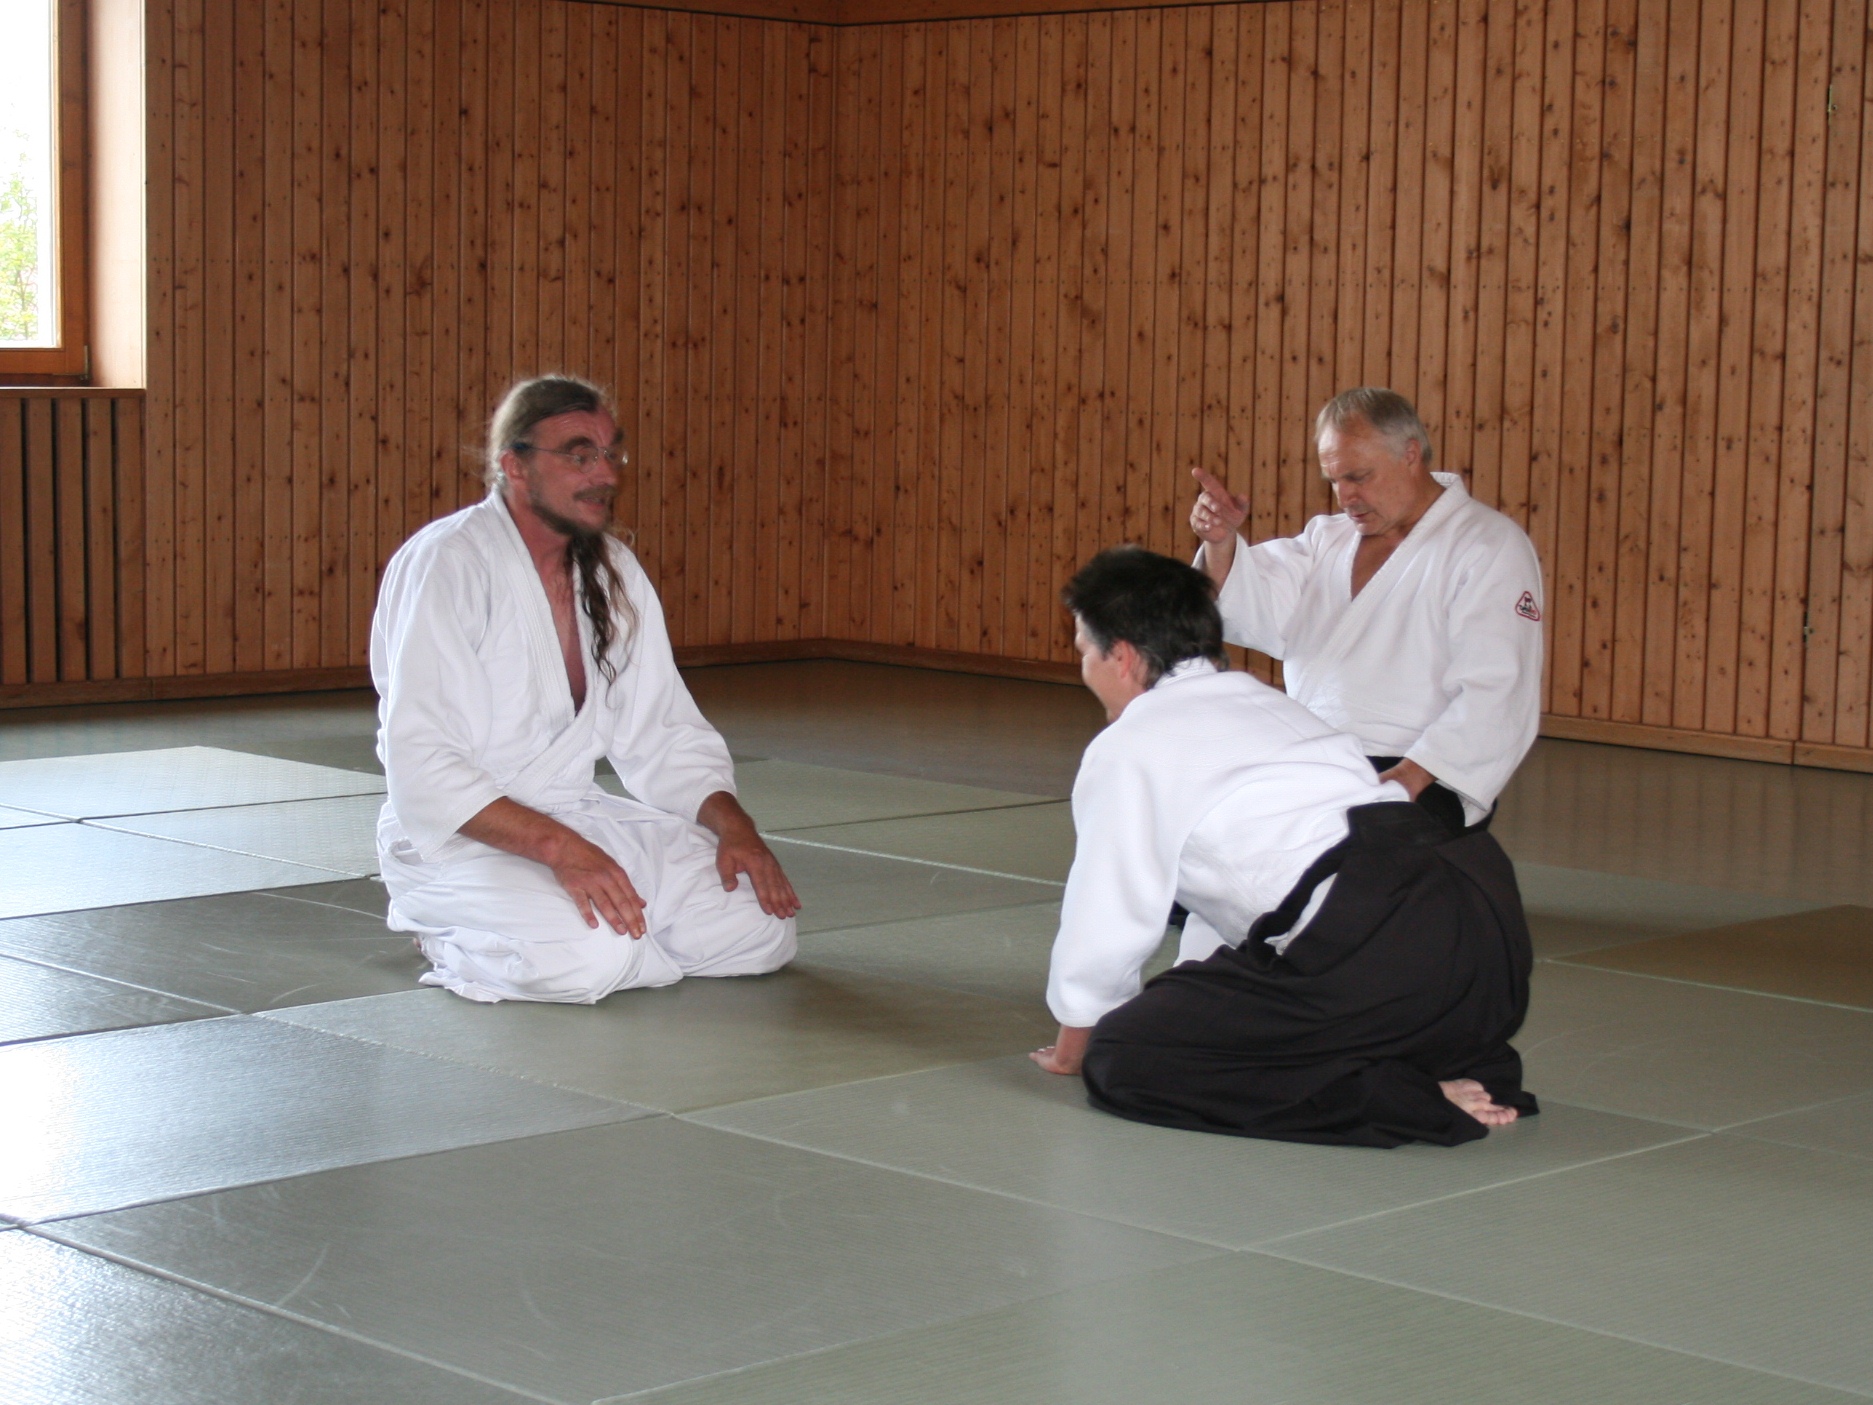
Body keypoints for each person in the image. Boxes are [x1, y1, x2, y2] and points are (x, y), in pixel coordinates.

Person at [1030, 546, 1537, 1147]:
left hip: (1380, 951)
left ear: (1122, 656)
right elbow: (1240, 898)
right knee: (1207, 1007)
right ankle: (1426, 1061)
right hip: (1484, 948)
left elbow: (1109, 910)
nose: (1084, 669)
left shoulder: (1130, 747)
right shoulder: (1268, 705)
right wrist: (1200, 996)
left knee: (1125, 1054)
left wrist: (1077, 1043)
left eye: (1084, 651)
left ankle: (1396, 1094)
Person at [369, 375, 800, 1003]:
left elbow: (660, 732)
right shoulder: (449, 563)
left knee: (756, 928)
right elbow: (423, 765)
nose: (604, 473)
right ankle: (445, 931)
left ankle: (596, 932)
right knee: (594, 960)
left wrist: (736, 828)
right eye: (579, 455)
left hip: (572, 815)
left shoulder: (612, 570)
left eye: (610, 453)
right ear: (515, 466)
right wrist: (561, 849)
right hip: (459, 835)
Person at [1190, 388, 1543, 833]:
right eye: (1334, 480)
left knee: (1319, 845)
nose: (1345, 496)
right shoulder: (1327, 539)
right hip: (1314, 760)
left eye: (1358, 477)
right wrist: (1221, 543)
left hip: (1421, 771)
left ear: (1410, 455)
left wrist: (1409, 777)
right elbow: (1252, 602)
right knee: (1203, 826)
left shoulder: (1486, 545)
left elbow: (1498, 688)